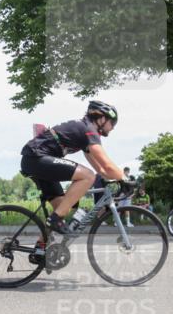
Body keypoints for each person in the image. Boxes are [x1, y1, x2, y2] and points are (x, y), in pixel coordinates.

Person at [20, 100, 126, 234]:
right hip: (36, 158)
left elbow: (102, 169)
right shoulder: (89, 129)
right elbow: (107, 166)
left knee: (63, 206)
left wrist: (114, 179)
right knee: (88, 176)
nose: (113, 127)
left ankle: (40, 250)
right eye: (113, 123)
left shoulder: (85, 132)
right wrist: (124, 178)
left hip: (36, 161)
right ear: (102, 119)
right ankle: (54, 219)